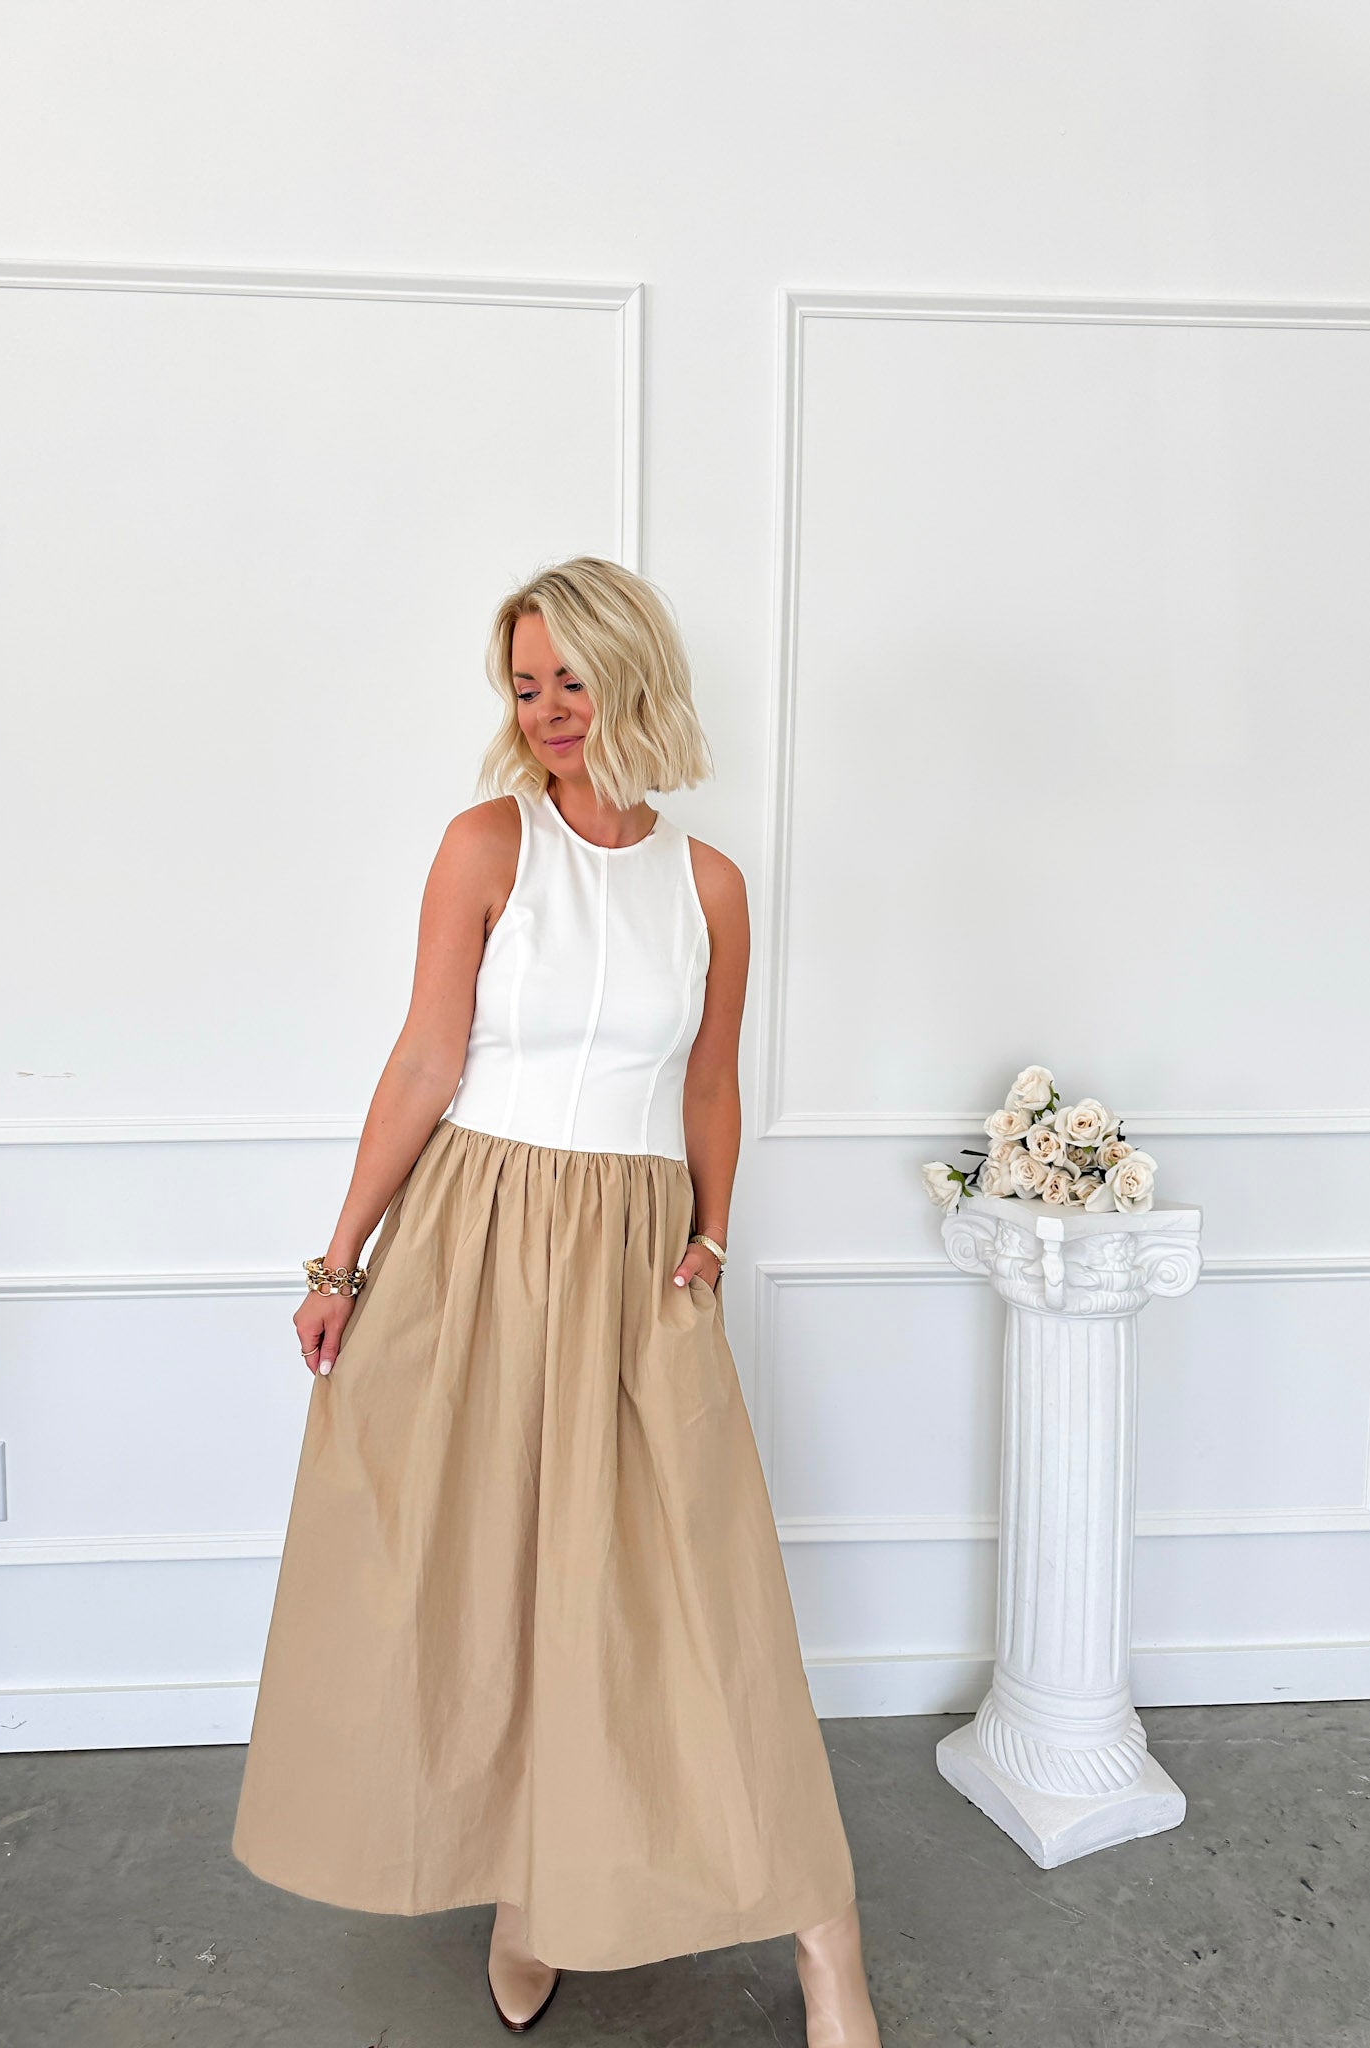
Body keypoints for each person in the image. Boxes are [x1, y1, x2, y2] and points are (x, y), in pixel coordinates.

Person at [231, 556, 885, 2046]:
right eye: (525, 685)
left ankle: (826, 1939)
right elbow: (426, 1059)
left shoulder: (708, 883)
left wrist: (713, 1237)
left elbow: (709, 1084)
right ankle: (529, 1895)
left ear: (633, 676)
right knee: (495, 1580)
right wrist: (341, 1260)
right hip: (469, 1241)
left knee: (701, 1593)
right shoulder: (487, 844)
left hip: (633, 1256)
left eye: (571, 679)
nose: (547, 710)